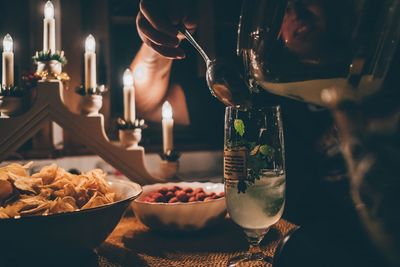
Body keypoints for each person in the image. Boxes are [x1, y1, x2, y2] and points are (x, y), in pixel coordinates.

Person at [131, 0, 400, 266]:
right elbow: (148, 102)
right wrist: (161, 41)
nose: (296, 10)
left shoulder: (384, 79)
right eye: (283, 6)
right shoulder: (253, 93)